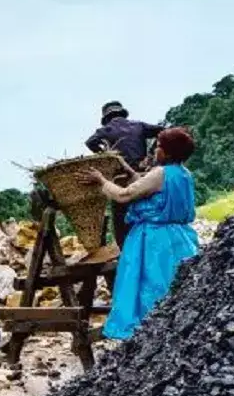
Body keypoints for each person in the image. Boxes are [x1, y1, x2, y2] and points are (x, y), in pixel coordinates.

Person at [82, 127, 199, 341]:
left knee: (150, 286)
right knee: (176, 285)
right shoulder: (184, 174)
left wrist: (101, 181)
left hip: (153, 240)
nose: (156, 151)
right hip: (180, 238)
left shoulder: (160, 173)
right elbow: (147, 185)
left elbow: (124, 195)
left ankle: (150, 334)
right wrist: (127, 168)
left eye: (159, 147)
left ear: (168, 153)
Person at [85, 101, 165, 247]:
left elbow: (90, 142)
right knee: (146, 212)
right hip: (143, 176)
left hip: (120, 179)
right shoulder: (139, 125)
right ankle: (150, 246)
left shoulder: (106, 130)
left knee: (121, 219)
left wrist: (106, 155)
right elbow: (163, 131)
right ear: (122, 113)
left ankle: (126, 250)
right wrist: (151, 154)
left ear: (106, 117)